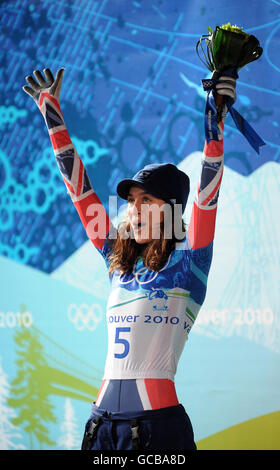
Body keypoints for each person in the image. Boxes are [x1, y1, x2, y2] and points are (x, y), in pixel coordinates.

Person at [22, 67, 237, 451]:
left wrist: (215, 120)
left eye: (147, 201)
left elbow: (208, 194)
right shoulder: (117, 260)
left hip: (156, 429)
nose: (133, 209)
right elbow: (81, 192)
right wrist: (51, 112)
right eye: (131, 201)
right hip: (99, 427)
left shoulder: (190, 264)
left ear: (171, 209)